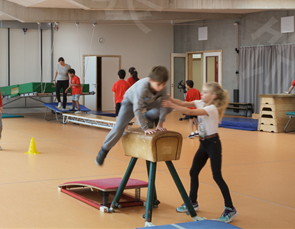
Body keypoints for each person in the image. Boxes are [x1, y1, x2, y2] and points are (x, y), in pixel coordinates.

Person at [163, 82, 238, 224]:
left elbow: (190, 112)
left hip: (213, 144)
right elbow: (183, 103)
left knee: (217, 176)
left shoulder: (212, 108)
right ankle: (192, 201)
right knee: (193, 172)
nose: (201, 94)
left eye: (205, 92)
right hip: (203, 144)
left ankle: (230, 208)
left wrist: (170, 105)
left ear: (213, 96)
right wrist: (170, 98)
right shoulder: (200, 103)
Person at [95, 66, 172, 166]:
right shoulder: (142, 88)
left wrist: (160, 124)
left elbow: (164, 104)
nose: (161, 87)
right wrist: (145, 128)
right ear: (150, 80)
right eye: (158, 85)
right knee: (119, 128)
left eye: (164, 84)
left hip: (147, 102)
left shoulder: (162, 87)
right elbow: (137, 110)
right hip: (130, 103)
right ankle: (104, 150)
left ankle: (148, 116)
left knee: (168, 105)